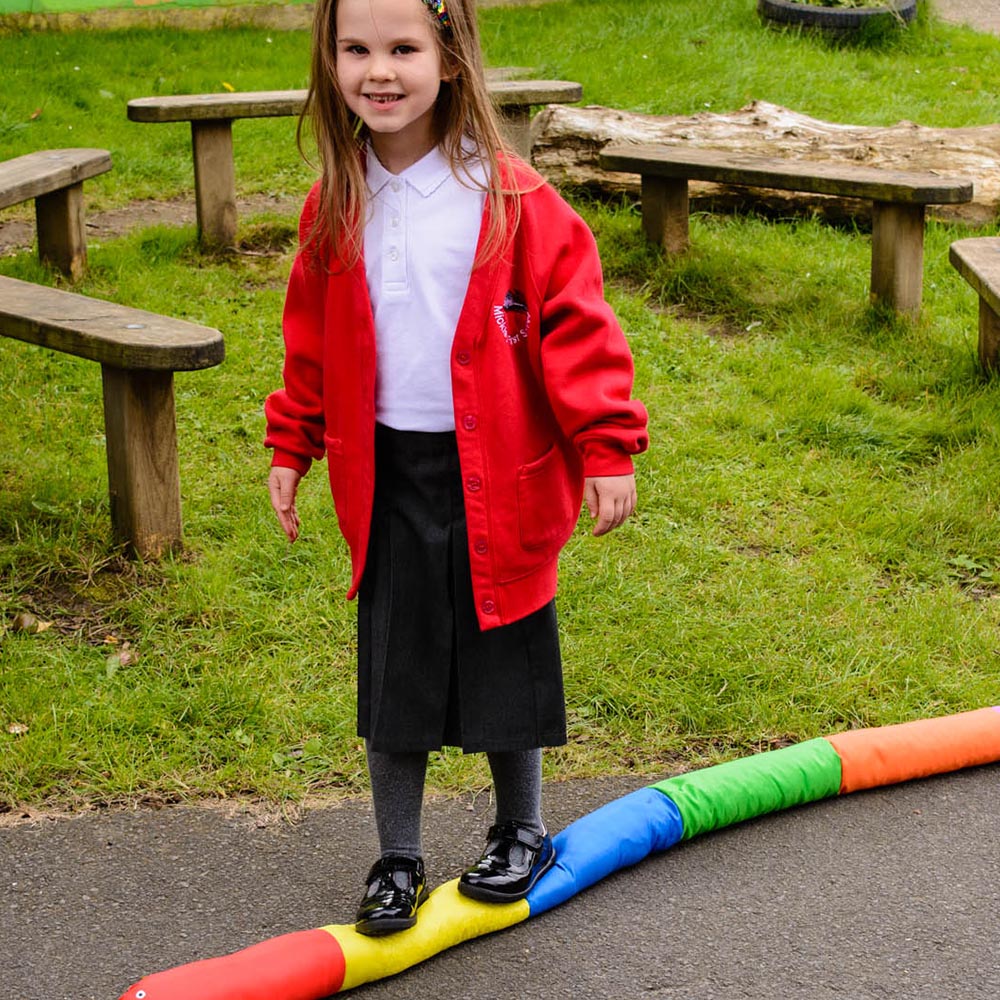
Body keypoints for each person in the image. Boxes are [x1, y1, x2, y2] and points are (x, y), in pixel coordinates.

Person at [264, 0, 648, 937]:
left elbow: (580, 331)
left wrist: (606, 446)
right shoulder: (338, 201)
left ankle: (523, 829)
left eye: (402, 48)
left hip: (500, 473)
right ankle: (398, 854)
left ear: (450, 55)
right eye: (356, 49)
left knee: (504, 653)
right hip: (386, 471)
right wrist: (292, 444)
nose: (379, 70)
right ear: (331, 60)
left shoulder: (513, 201)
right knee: (395, 669)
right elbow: (310, 344)